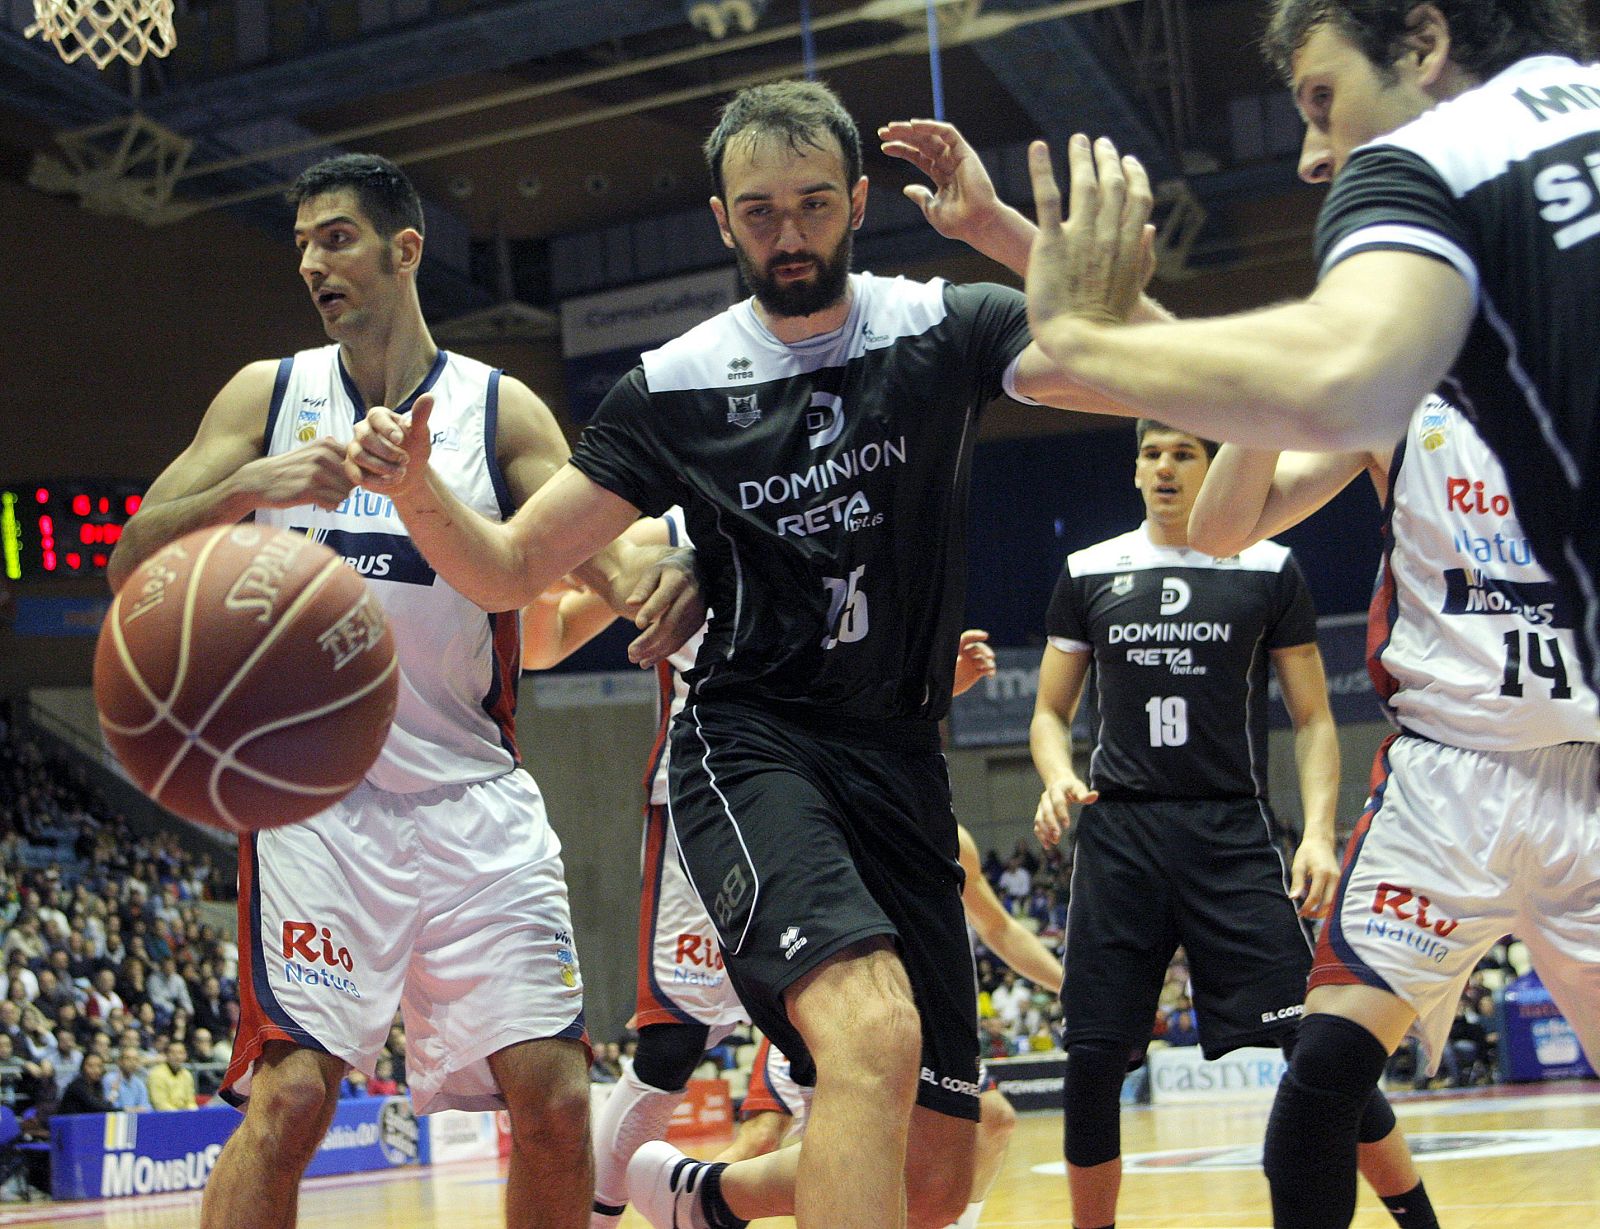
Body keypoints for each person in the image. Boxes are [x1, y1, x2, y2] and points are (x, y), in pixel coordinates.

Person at [347, 79, 1125, 1229]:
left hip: (901, 762)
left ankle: (697, 1197)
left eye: (813, 204)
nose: (789, 233)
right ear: (721, 220)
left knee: (936, 1174)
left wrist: (997, 233)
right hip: (755, 744)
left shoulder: (942, 326)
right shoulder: (673, 385)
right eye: (758, 212)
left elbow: (1132, 371)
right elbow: (510, 569)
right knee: (871, 1032)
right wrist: (413, 488)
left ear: (859, 200)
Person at [105, 152, 699, 1229]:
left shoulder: (497, 410)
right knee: (287, 1103)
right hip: (316, 809)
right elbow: (129, 557)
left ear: (404, 249)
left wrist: (664, 583)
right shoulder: (267, 394)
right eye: (300, 245)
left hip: (474, 799)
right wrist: (254, 483)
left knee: (559, 1104)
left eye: (334, 237)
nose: (312, 263)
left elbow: (596, 556)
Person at [1016, 3, 1600, 694]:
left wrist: (1078, 335)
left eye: (1324, 101)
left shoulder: (1430, 158)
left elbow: (1336, 375)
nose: (1313, 158)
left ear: (1422, 46)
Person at [1185, 391, 1600, 1224]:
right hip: (1444, 785)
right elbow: (1219, 531)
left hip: (1587, 780)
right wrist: (1273, 376)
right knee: (1324, 1072)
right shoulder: (1404, 393)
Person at [520, 513, 997, 1229]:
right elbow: (543, 639)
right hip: (724, 788)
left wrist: (928, 679)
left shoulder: (858, 504)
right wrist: (537, 552)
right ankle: (605, 1213)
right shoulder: (671, 529)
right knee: (681, 1038)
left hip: (856, 788)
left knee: (907, 1132)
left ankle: (706, 1195)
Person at [1030, 420, 1434, 1229]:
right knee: (1093, 1060)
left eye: (1185, 451)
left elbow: (1315, 718)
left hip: (1229, 833)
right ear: (1135, 470)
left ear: (1213, 468)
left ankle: (1420, 1221)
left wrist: (1318, 832)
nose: (1167, 466)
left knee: (1317, 1049)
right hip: (1120, 835)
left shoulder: (1268, 566)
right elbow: (1048, 709)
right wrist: (1058, 775)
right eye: (1152, 453)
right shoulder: (1088, 570)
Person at [715, 822, 1062, 1229]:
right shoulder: (835, 809)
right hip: (840, 1004)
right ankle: (693, 1194)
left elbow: (999, 927)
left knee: (991, 1121)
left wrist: (1068, 985)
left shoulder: (951, 837)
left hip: (922, 1019)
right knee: (762, 1141)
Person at [57, 1051, 116, 1116]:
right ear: (83, 1067)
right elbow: (97, 1107)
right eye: (91, 1066)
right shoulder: (77, 1086)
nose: (96, 1070)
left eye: (99, 1066)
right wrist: (123, 1110)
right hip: (70, 1123)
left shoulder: (97, 1085)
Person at [148, 1040, 197, 1112]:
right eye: (173, 1053)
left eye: (181, 1053)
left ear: (185, 1055)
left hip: (184, 1115)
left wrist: (193, 1113)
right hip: (164, 1117)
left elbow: (190, 1101)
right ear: (166, 1055)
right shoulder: (157, 1074)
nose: (177, 1057)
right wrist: (179, 1115)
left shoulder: (187, 1074)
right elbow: (160, 1104)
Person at [107, 1045, 154, 1112]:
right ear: (120, 1061)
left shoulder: (139, 1083)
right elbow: (111, 1107)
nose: (132, 1062)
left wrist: (135, 1110)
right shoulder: (110, 1079)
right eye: (128, 1058)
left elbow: (146, 1107)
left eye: (135, 1059)